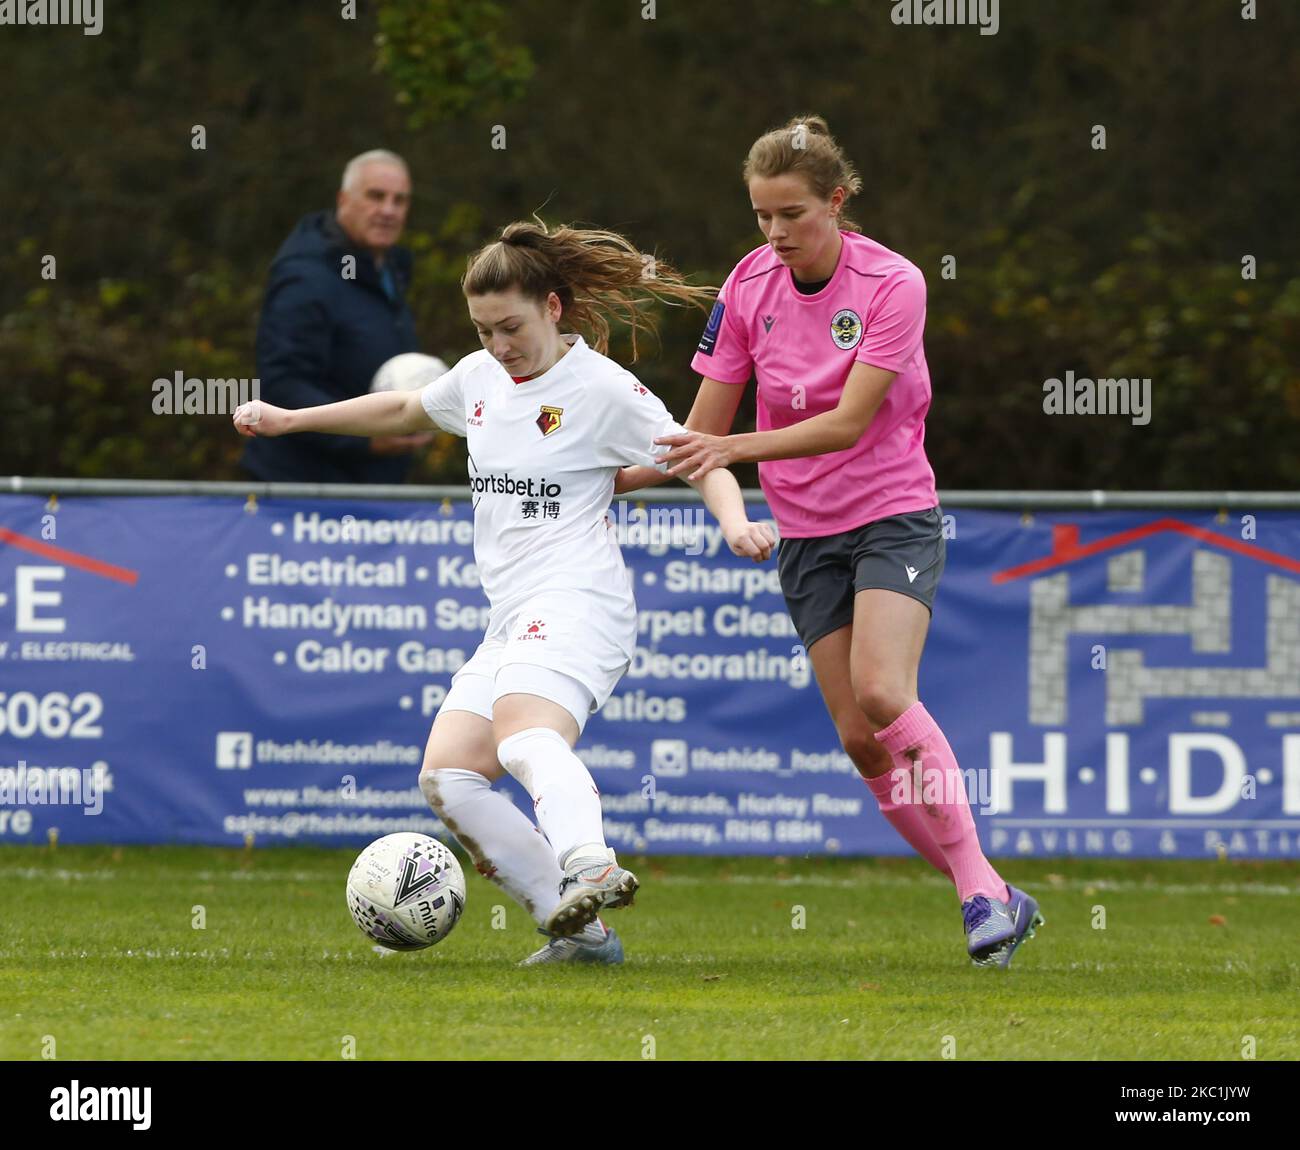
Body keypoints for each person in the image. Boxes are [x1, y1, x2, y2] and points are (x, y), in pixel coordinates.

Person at [233, 220, 775, 965]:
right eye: (484, 330)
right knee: (450, 776)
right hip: (514, 616)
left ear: (554, 307)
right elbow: (403, 409)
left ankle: (590, 861)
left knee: (524, 737)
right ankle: (582, 934)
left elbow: (700, 458)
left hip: (582, 603)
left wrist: (736, 522)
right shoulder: (480, 379)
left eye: (510, 327)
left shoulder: (602, 390)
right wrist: (294, 419)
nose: (498, 345)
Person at [616, 115, 1043, 968]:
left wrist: (732, 451)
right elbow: (699, 430)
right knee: (858, 737)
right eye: (762, 216)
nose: (774, 236)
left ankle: (972, 893)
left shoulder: (894, 284)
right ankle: (994, 890)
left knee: (885, 694)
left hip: (891, 511)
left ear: (837, 203)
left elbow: (848, 423)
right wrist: (600, 482)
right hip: (806, 533)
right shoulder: (747, 286)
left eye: (792, 216)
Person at [241, 149, 435, 485]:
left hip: (375, 487)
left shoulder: (389, 269)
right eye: (376, 196)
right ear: (344, 200)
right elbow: (283, 384)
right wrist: (366, 438)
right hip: (304, 494)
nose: (388, 210)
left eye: (400, 200)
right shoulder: (305, 277)